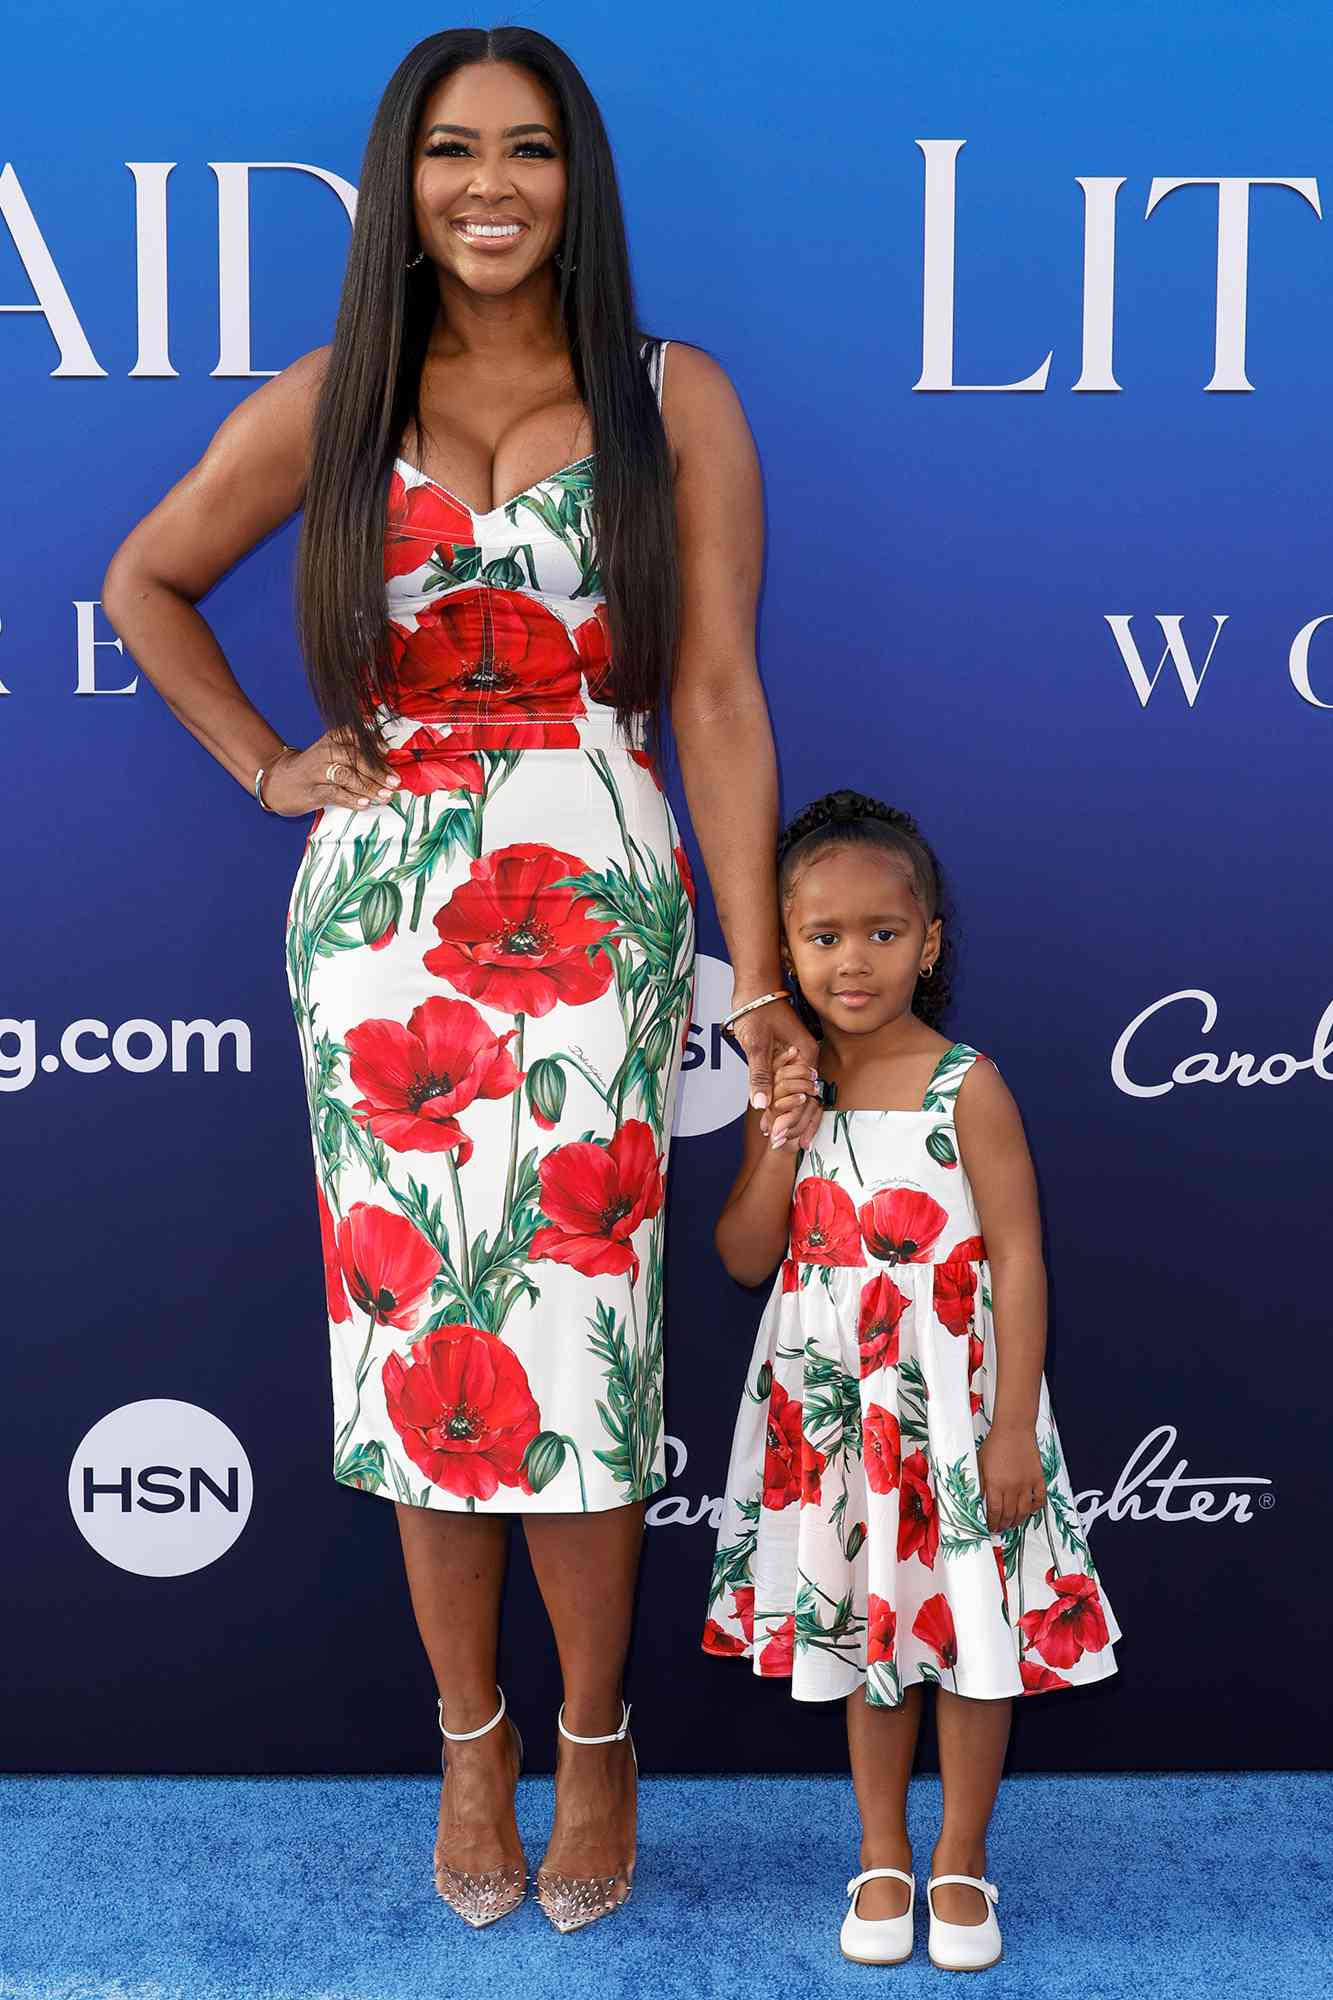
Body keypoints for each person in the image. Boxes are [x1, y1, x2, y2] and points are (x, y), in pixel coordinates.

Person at [101, 25, 819, 1935]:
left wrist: (754, 989)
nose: (484, 186)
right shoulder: (336, 397)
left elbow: (725, 701)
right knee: (429, 1354)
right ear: (399, 183)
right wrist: (272, 762)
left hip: (597, 891)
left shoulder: (679, 397)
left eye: (522, 151)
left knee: (582, 1349)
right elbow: (144, 579)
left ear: (574, 179)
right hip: (384, 924)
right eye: (445, 153)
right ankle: (468, 1737)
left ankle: (597, 1737)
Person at [702, 789, 1121, 1970]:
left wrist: (1007, 1432)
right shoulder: (782, 1086)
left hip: (959, 1407)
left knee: (971, 1634)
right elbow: (743, 1255)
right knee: (864, 1628)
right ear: (781, 949)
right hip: (840, 1419)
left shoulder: (965, 1083)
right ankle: (881, 1849)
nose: (852, 960)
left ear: (928, 942)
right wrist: (780, 1135)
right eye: (822, 936)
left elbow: (1021, 1254)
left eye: (882, 932)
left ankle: (960, 1859)